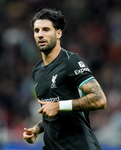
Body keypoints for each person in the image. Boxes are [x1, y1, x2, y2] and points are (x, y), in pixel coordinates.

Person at [23, 8, 107, 150]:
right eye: (37, 31)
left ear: (58, 33)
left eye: (46, 30)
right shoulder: (37, 71)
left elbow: (99, 99)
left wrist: (59, 105)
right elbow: (53, 112)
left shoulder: (71, 62)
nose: (40, 35)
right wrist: (38, 128)